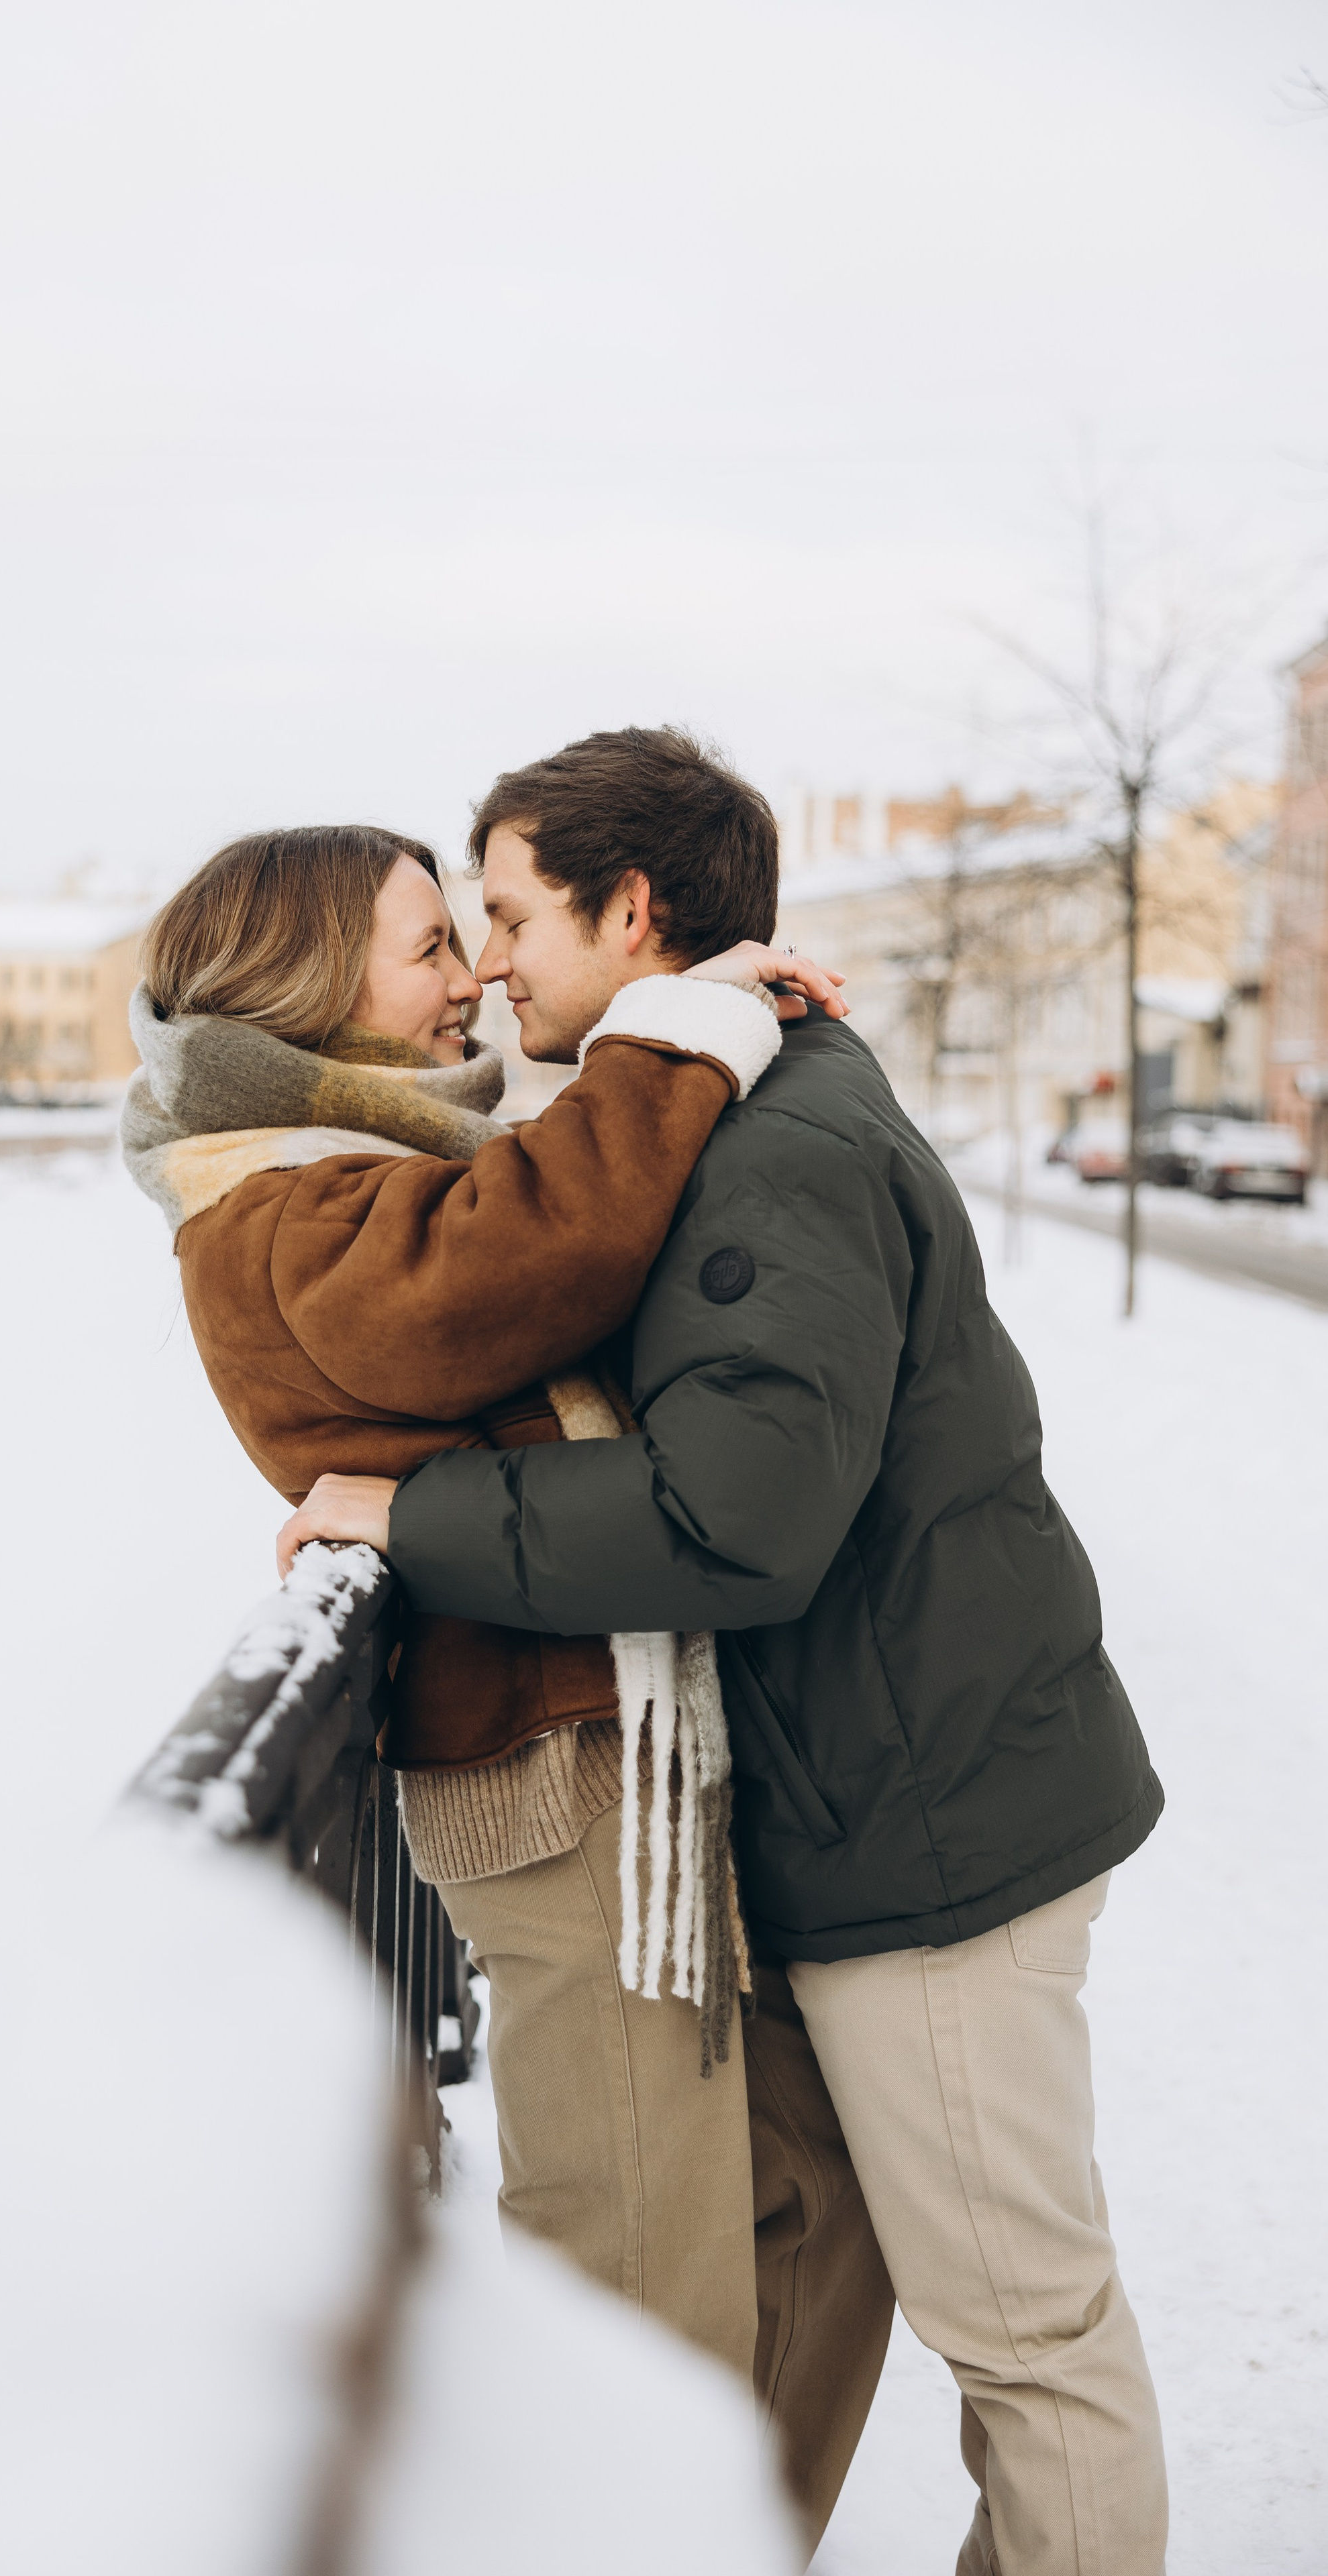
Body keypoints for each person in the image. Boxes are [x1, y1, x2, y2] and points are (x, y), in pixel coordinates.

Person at [283, 729, 1171, 2576]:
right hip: (876, 1799)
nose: (494, 959)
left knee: (1026, 2331)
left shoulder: (773, 1149)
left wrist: (407, 1517)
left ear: (634, 909)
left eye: (515, 913)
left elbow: (733, 1520)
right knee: (872, 2285)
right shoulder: (723, 1093)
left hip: (928, 1831)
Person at [123, 814, 893, 2550]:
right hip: (543, 1773)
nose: (470, 974)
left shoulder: (362, 1152)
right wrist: (676, 1031)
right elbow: (529, 1257)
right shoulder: (270, 1200)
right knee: (641, 2272)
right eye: (425, 947)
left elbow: (528, 1208)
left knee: (816, 2204)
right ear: (311, 983)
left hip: (627, 1728)